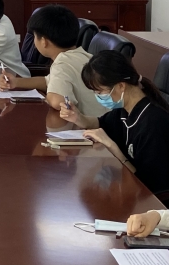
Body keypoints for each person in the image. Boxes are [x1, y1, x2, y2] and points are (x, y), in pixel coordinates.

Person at [60, 50, 169, 198]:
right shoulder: (124, 110)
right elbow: (100, 123)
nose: (98, 97)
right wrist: (78, 118)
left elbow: (147, 186)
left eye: (100, 92)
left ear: (121, 86)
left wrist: (112, 147)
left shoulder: (153, 124)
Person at [0, 5, 107, 117]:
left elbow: (58, 102)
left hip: (88, 124)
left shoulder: (62, 64)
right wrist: (16, 82)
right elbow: (48, 81)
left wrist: (47, 98)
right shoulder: (84, 56)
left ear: (44, 41)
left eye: (34, 36)